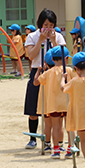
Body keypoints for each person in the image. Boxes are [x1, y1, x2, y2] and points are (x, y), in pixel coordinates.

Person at [23, 9, 66, 149]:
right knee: (33, 106)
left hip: (55, 71)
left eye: (51, 25)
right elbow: (30, 55)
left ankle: (53, 141)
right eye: (45, 25)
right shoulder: (32, 36)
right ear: (40, 24)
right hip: (38, 70)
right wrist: (40, 40)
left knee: (53, 108)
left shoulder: (58, 36)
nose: (48, 28)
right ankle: (33, 138)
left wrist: (53, 40)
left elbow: (62, 55)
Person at [34, 46, 76, 159]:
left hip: (54, 104)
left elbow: (36, 82)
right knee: (70, 127)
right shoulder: (69, 70)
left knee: (56, 127)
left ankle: (56, 149)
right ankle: (70, 148)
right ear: (66, 58)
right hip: (67, 103)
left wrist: (38, 72)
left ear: (52, 59)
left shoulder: (49, 72)